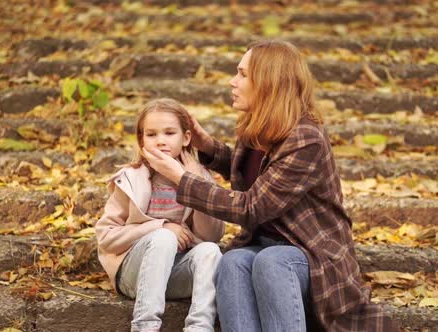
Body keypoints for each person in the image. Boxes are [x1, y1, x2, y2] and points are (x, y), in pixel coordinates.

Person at [142, 41, 398, 331]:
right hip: (263, 244)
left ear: (268, 82)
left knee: (273, 261)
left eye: (242, 74)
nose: (232, 82)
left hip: (310, 253)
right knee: (233, 261)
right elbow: (256, 175)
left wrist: (181, 178)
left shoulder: (306, 138)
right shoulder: (259, 126)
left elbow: (252, 207)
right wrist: (206, 146)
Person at [95, 98, 225, 332]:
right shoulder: (130, 178)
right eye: (152, 134)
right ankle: (145, 325)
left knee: (211, 251)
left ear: (186, 138)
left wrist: (194, 182)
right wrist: (161, 226)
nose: (161, 141)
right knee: (164, 237)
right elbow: (106, 238)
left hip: (176, 275)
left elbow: (211, 236)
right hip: (133, 275)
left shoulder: (201, 177)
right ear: (141, 139)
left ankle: (199, 327)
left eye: (169, 133)